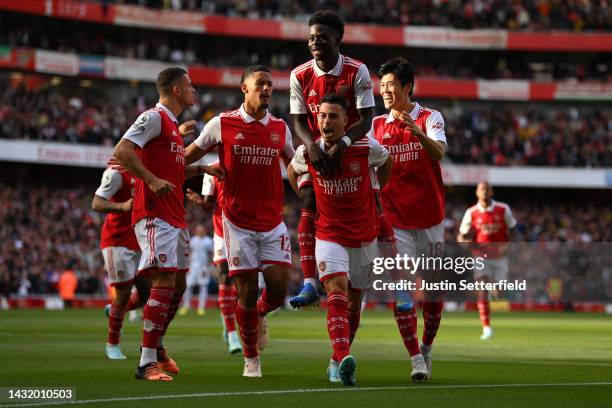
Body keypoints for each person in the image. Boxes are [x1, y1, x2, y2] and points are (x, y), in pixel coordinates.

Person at [185, 65, 295, 378]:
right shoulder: (221, 124)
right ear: (244, 88)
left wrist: (305, 185)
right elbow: (190, 155)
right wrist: (167, 155)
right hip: (236, 223)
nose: (267, 89)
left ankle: (258, 316)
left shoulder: (280, 128)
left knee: (276, 291)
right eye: (260, 83)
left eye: (270, 84)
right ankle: (251, 359)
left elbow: (292, 164)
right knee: (245, 294)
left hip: (272, 221)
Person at [114, 67, 222, 381]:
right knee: (163, 281)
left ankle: (157, 345)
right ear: (176, 90)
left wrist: (203, 168)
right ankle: (147, 362)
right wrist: (150, 179)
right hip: (153, 213)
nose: (195, 91)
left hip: (174, 216)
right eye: (190, 86)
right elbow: (121, 151)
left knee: (179, 286)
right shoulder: (154, 117)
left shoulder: (172, 127)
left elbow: (175, 171)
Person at [288, 93, 392, 386]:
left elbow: (387, 161)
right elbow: (292, 170)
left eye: (333, 116)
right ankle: (344, 355)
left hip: (364, 235)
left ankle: (336, 361)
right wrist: (305, 193)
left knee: (354, 302)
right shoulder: (309, 151)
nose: (326, 121)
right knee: (336, 289)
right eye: (322, 116)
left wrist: (376, 192)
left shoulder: (365, 147)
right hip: (329, 233)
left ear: (347, 122)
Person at [289, 10, 375, 307]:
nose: (315, 42)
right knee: (309, 202)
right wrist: (313, 146)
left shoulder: (357, 71)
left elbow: (366, 119)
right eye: (311, 37)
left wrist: (345, 142)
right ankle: (310, 282)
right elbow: (298, 120)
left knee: (374, 202)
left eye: (322, 37)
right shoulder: (299, 75)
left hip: (354, 146)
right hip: (318, 149)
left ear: (338, 39)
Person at [370, 57, 448, 380]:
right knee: (402, 293)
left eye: (391, 85)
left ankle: (427, 348)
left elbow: (440, 152)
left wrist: (418, 133)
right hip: (395, 223)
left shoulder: (430, 117)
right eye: (382, 86)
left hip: (430, 220)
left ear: (407, 87)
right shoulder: (375, 126)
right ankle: (415, 358)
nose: (385, 91)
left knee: (433, 298)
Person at [92, 160, 151, 360]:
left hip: (139, 240)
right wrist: (123, 206)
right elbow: (97, 203)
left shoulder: (144, 170)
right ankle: (112, 344)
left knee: (147, 293)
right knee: (123, 293)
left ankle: (115, 310)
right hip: (117, 241)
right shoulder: (116, 173)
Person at [187, 162, 242, 355]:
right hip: (221, 231)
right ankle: (231, 331)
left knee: (242, 283)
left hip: (246, 230)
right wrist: (200, 202)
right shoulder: (212, 169)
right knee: (224, 276)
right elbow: (209, 205)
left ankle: (229, 319)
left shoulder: (243, 164)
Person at [458, 181, 517, 339]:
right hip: (480, 255)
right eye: (482, 189)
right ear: (477, 193)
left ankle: (493, 287)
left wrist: (508, 246)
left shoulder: (503, 209)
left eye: (487, 189)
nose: (484, 192)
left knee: (499, 293)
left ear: (492, 192)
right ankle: (486, 328)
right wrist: (464, 242)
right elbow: (461, 235)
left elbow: (513, 229)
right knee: (482, 290)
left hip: (499, 256)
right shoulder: (471, 212)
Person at [179, 224, 213, 316]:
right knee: (188, 286)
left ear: (205, 231)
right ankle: (186, 306)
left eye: (202, 230)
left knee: (203, 286)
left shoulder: (209, 241)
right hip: (193, 266)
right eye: (199, 230)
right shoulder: (193, 240)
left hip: (204, 267)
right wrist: (188, 265)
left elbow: (210, 255)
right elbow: (189, 253)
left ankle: (201, 307)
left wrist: (209, 267)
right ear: (196, 231)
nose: (200, 231)